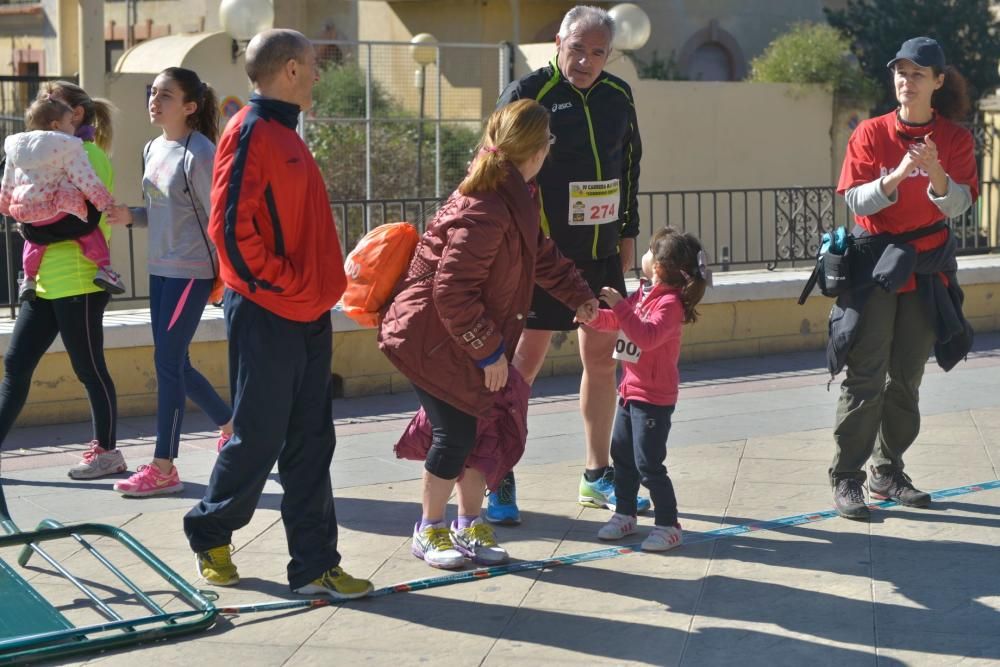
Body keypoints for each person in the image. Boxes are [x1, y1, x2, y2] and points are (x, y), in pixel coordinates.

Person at [183, 29, 372, 600]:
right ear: (289, 69)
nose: (319, 74)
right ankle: (210, 531)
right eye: (313, 64)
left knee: (312, 441)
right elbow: (231, 236)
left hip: (305, 313)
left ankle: (315, 564)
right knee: (259, 437)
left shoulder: (286, 131)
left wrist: (317, 291)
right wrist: (289, 287)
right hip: (268, 312)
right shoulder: (250, 130)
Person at [379, 99, 600, 569]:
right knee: (455, 432)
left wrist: (579, 296)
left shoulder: (516, 194)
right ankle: (430, 529)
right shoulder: (485, 208)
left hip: (459, 336)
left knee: (485, 427)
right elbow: (452, 292)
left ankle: (468, 525)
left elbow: (540, 255)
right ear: (536, 150)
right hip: (430, 339)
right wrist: (488, 353)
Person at [489, 4, 645, 524]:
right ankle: (497, 475)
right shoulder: (527, 94)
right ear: (559, 41)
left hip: (599, 259)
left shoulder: (618, 96)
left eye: (597, 52)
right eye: (576, 48)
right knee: (520, 371)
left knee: (602, 364)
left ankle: (596, 476)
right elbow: (497, 172)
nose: (584, 61)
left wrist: (626, 233)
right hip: (538, 261)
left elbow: (630, 167)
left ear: (609, 54)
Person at [830, 36, 977, 520]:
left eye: (917, 74)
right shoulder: (870, 134)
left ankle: (887, 471)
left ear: (937, 82)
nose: (906, 81)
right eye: (900, 72)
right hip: (875, 268)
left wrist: (935, 172)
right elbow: (855, 202)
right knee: (866, 372)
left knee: (907, 378)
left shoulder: (955, 140)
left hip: (927, 267)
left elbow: (959, 204)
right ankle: (847, 476)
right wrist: (895, 176)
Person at [110, 68, 233, 498]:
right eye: (153, 93)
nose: (154, 100)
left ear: (190, 106)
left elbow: (217, 218)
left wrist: (225, 276)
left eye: (165, 95)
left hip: (190, 272)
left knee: (167, 362)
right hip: (160, 269)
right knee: (174, 360)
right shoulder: (151, 148)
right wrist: (130, 216)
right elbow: (161, 211)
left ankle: (164, 466)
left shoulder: (199, 153)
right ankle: (232, 425)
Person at [0, 81, 126, 479]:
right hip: (41, 285)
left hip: (80, 282)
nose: (40, 104)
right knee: (16, 364)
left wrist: (34, 229)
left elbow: (88, 218)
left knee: (89, 369)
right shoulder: (37, 155)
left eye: (49, 100)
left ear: (75, 115)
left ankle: (107, 452)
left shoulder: (86, 154)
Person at [582, 227, 707, 550]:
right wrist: (594, 318)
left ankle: (669, 524)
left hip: (653, 399)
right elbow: (620, 323)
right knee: (621, 457)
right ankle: (625, 514)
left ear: (663, 266)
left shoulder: (670, 305)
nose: (646, 256)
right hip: (630, 391)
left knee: (648, 464)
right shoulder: (645, 294)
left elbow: (646, 336)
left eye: (652, 251)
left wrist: (621, 306)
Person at [0, 96, 125, 301]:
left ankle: (29, 279)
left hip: (29, 212)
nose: (72, 128)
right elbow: (84, 178)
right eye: (69, 123)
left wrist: (5, 206)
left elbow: (7, 182)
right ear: (56, 125)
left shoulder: (15, 147)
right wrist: (104, 202)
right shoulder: (68, 145)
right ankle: (105, 269)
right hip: (57, 208)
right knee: (88, 232)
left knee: (34, 241)